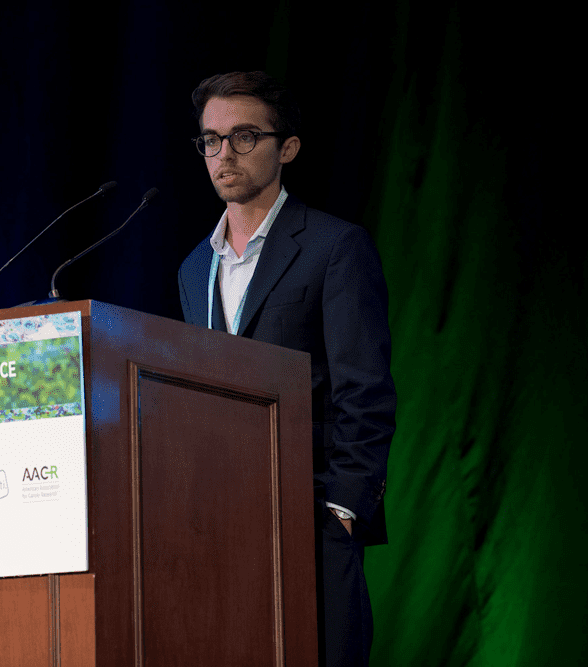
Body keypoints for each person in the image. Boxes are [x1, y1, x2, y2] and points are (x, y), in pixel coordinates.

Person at [178, 71, 396, 667]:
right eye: (211, 140)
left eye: (245, 136)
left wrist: (343, 510)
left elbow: (365, 389)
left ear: (288, 148)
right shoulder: (195, 266)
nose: (225, 153)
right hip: (224, 524)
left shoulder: (335, 247)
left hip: (312, 515)